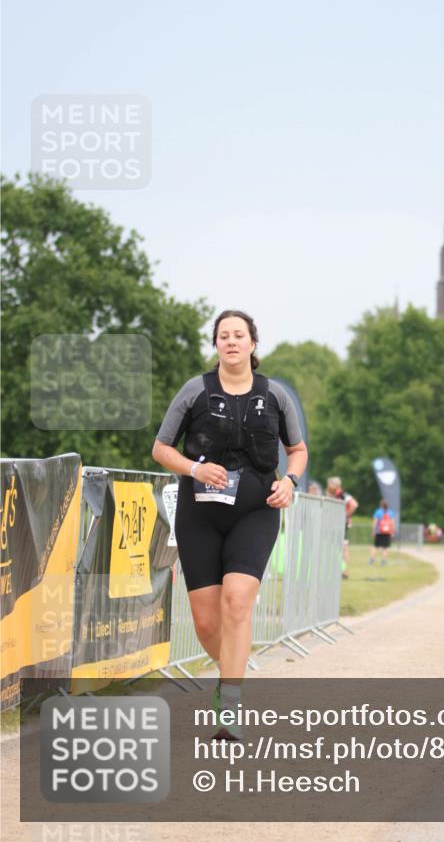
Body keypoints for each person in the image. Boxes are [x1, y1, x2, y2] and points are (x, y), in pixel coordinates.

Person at [152, 309, 307, 739]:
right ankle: (230, 677)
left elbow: (297, 450)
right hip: (199, 512)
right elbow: (161, 449)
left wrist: (290, 482)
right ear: (216, 344)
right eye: (224, 335)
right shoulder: (193, 391)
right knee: (205, 623)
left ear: (253, 344)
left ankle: (231, 707)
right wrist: (194, 469)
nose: (232, 341)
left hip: (257, 510)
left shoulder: (275, 395)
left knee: (238, 601)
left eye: (240, 335)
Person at [325, 476, 358, 579]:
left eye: (329, 484)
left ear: (335, 485)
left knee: (343, 547)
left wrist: (345, 515)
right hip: (336, 524)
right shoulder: (335, 494)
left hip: (340, 524)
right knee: (337, 547)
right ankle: (339, 570)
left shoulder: (342, 495)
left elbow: (354, 504)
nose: (328, 486)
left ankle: (344, 571)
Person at [369, 499, 396, 565]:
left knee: (375, 546)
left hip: (378, 532)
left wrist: (373, 531)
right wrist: (393, 532)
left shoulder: (378, 512)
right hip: (387, 532)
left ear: (381, 505)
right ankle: (383, 561)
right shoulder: (391, 512)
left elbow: (374, 522)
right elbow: (393, 523)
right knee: (385, 547)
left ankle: (372, 560)